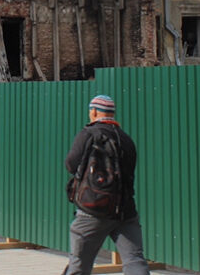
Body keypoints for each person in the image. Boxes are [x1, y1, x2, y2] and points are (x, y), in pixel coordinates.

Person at [63, 94, 149, 275]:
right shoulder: (126, 139)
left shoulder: (88, 134)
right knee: (135, 260)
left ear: (94, 112)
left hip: (92, 210)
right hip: (125, 211)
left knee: (79, 264)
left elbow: (71, 163)